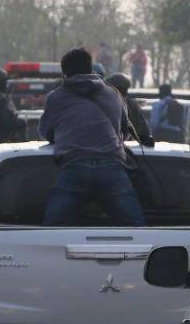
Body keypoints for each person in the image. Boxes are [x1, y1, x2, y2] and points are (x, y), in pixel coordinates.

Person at [40, 48, 145, 227]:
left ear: (65, 74)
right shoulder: (113, 94)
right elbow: (123, 133)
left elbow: (45, 132)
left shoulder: (56, 98)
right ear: (91, 69)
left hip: (74, 166)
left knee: (52, 227)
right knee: (136, 227)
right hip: (112, 166)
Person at [107, 72, 155, 147]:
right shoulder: (104, 102)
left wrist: (145, 139)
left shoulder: (130, 105)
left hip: (122, 146)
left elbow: (142, 130)